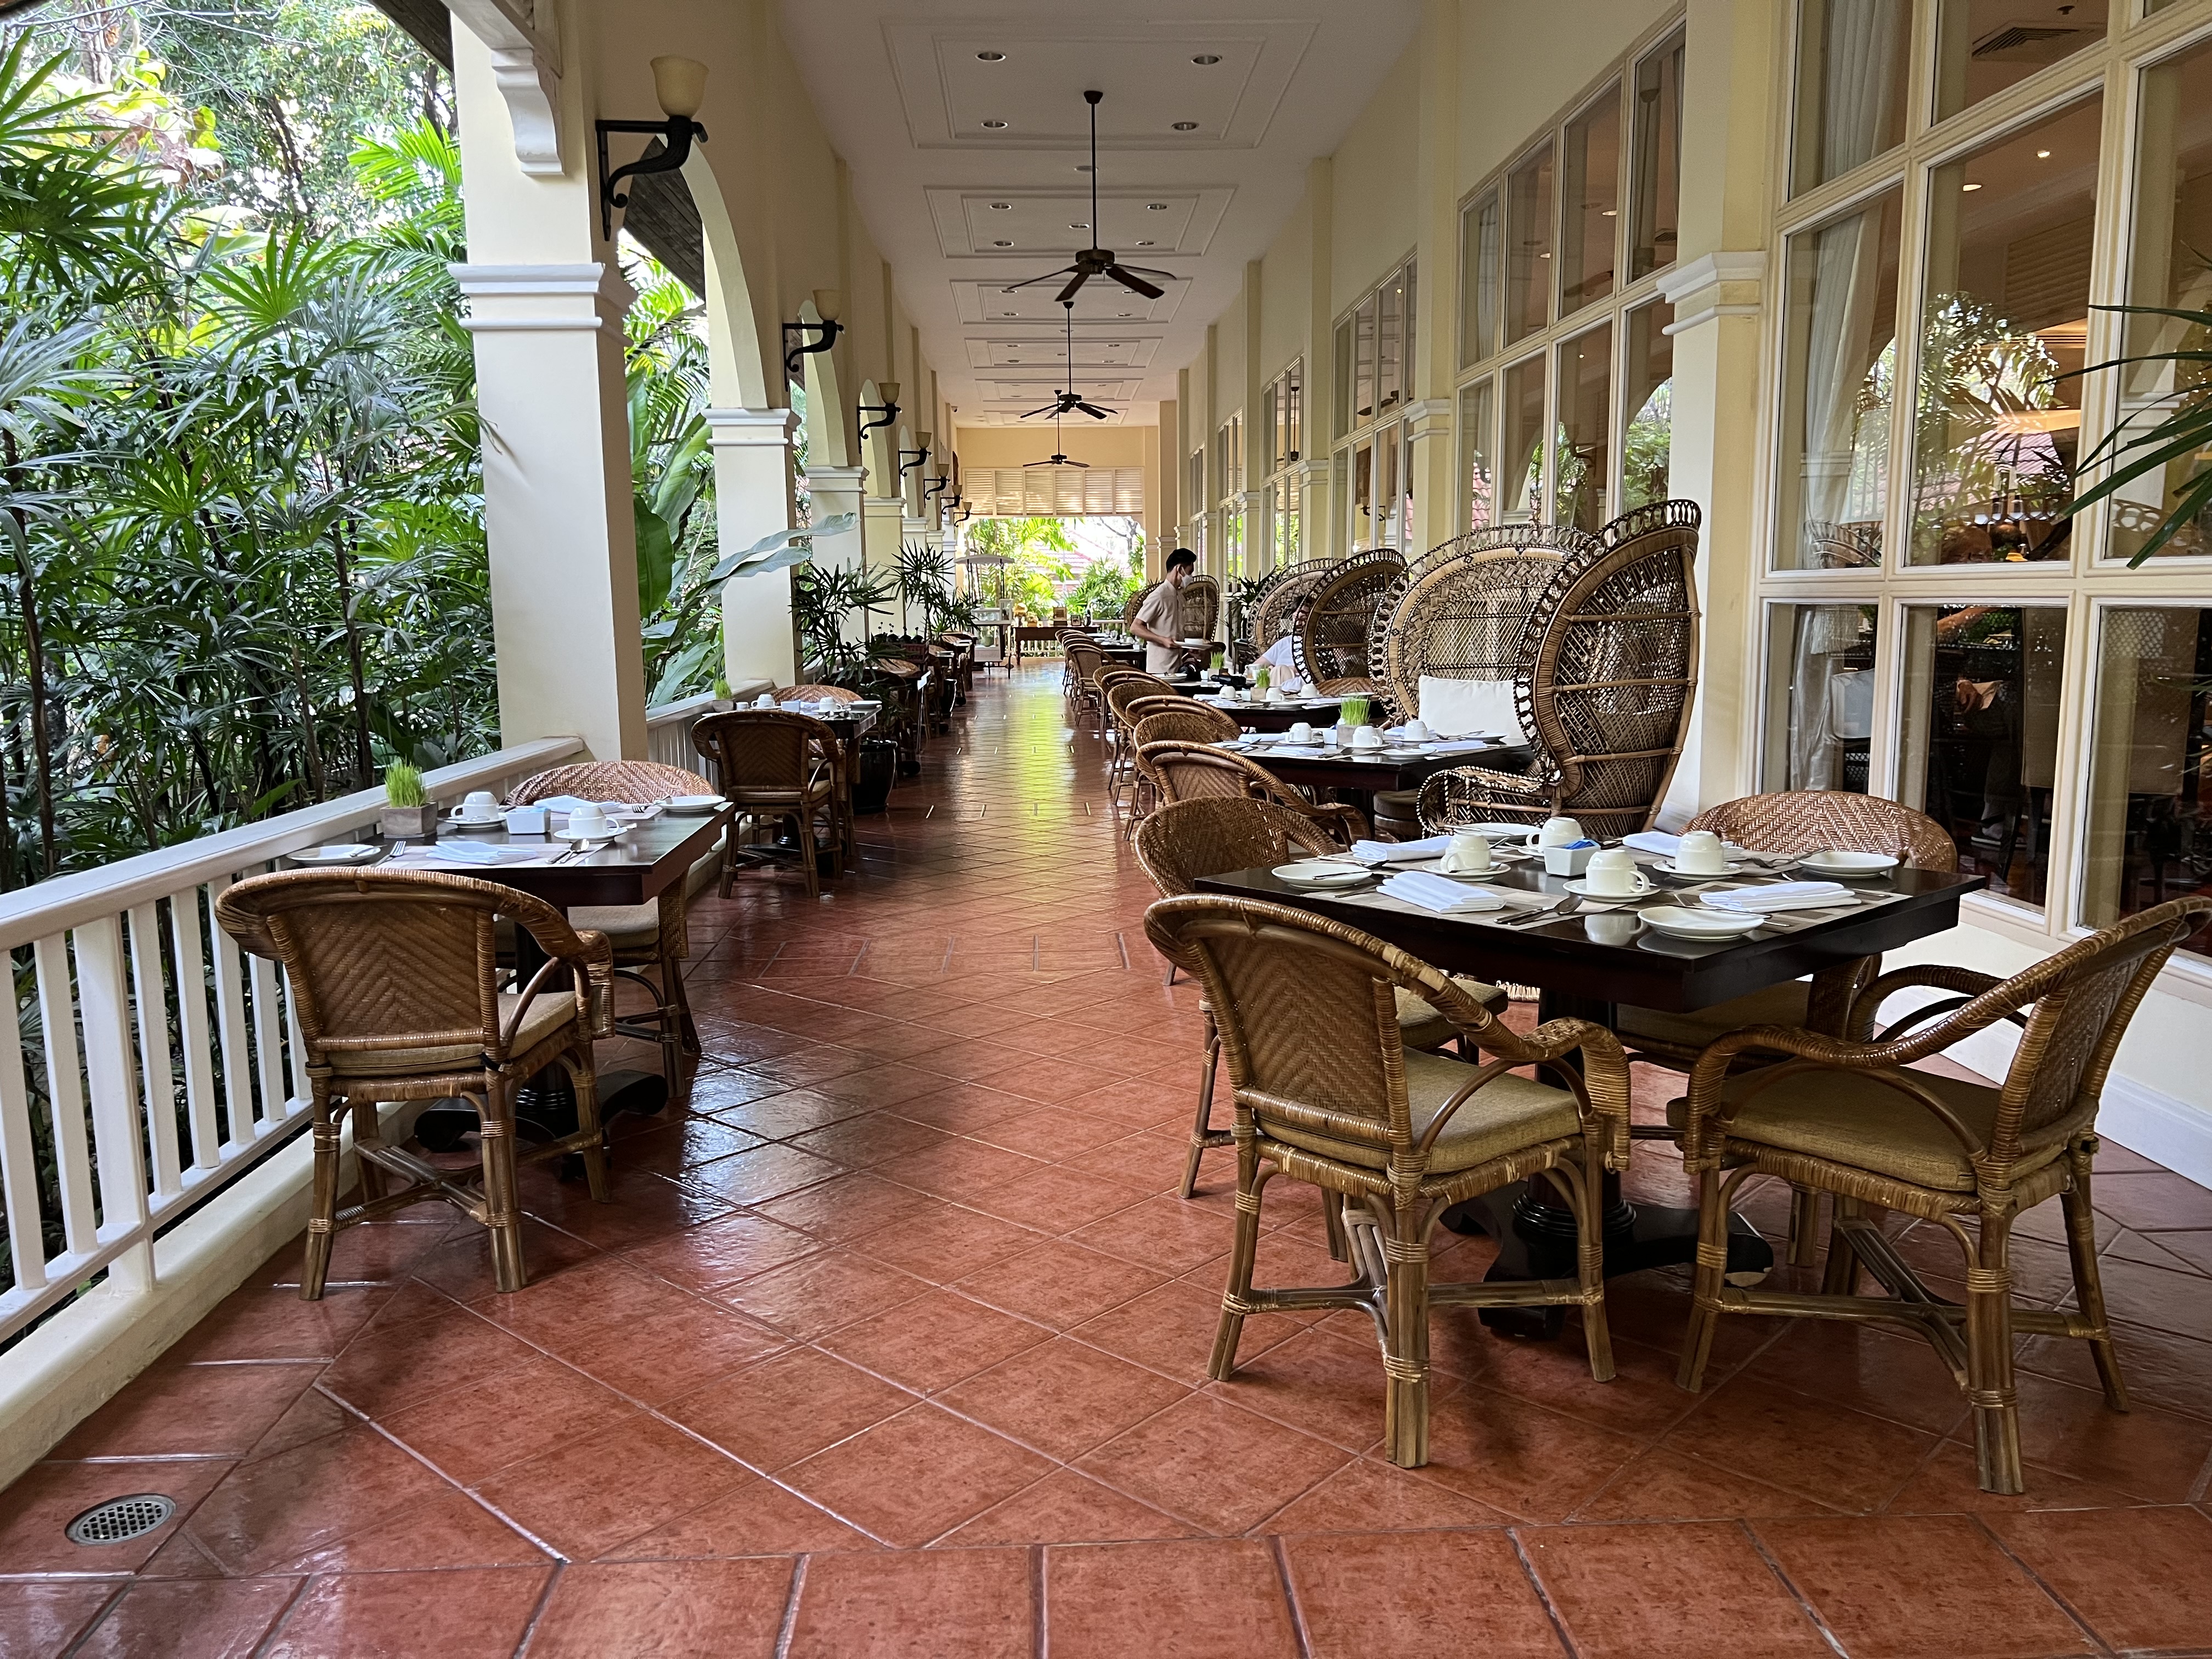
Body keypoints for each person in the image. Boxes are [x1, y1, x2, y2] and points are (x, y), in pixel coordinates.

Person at [1131, 548, 1199, 676]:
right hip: (1160, 669)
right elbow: (1135, 627)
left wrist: (1188, 648)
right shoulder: (1159, 595)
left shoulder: (1179, 596)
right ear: (1179, 570)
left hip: (1177, 667)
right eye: (1190, 572)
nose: (1191, 577)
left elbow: (1173, 630)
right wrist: (1162, 640)